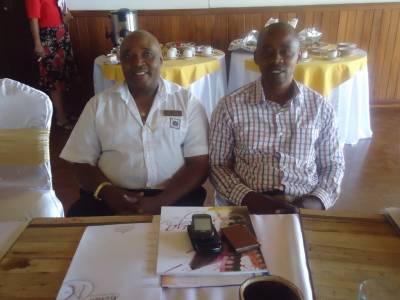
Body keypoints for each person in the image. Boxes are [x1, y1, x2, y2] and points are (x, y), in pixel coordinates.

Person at [60, 30, 209, 216]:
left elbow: (199, 164)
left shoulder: (187, 102)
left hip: (174, 197)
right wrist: (108, 192)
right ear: (121, 63)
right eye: (128, 56)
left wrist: (159, 203)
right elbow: (81, 162)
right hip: (110, 197)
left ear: (161, 60)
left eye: (147, 54)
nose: (137, 62)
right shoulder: (99, 105)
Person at [209, 22, 345, 214]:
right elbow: (217, 165)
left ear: (298, 56)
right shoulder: (229, 107)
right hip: (248, 206)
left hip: (304, 205)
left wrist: (315, 201)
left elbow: (333, 165)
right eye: (268, 51)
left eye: (285, 52)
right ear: (256, 57)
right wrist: (250, 199)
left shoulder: (321, 109)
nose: (277, 59)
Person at [25, 0, 75, 129]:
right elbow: (33, 19)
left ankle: (64, 113)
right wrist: (37, 44)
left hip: (60, 34)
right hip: (48, 37)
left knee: (63, 75)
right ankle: (60, 118)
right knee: (54, 79)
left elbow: (62, 15)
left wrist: (66, 18)